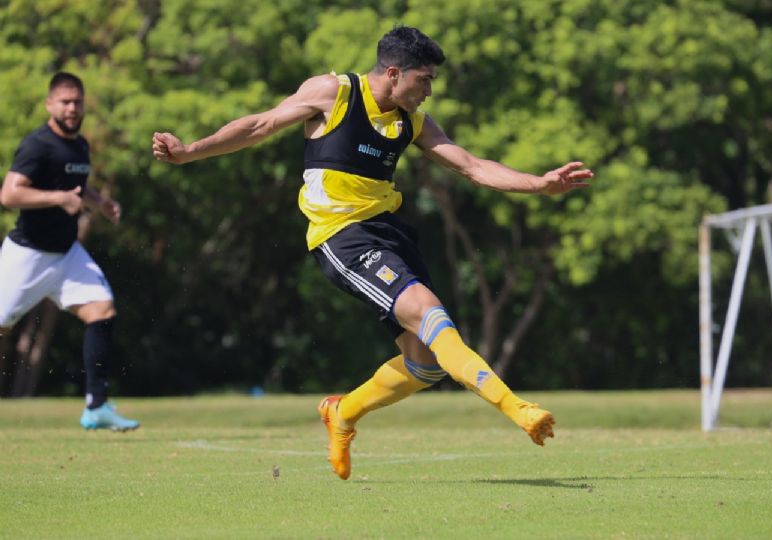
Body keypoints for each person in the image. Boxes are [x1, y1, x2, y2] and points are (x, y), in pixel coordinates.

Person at [152, 26, 592, 479]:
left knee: (426, 362)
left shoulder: (412, 122)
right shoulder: (334, 92)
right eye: (425, 80)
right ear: (395, 73)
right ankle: (517, 409)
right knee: (429, 312)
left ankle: (342, 414)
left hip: (389, 233)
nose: (429, 91)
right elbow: (259, 125)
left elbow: (473, 166)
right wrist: (190, 152)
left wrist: (539, 184)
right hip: (341, 235)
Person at [0, 72, 139, 431]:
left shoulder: (79, 146)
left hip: (66, 253)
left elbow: (77, 188)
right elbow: (9, 194)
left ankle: (97, 406)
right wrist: (56, 199)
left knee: (101, 309)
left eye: (77, 101)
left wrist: (100, 202)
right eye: (64, 101)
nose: (72, 107)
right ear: (50, 104)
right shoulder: (37, 145)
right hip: (27, 255)